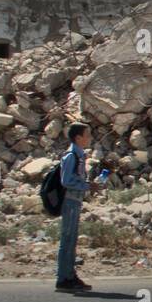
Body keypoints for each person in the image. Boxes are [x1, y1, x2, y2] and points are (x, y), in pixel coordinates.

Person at [56, 122, 101, 292]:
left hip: (75, 202)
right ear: (78, 138)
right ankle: (63, 278)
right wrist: (87, 186)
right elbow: (66, 181)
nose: (90, 138)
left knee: (71, 240)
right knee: (67, 240)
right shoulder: (71, 156)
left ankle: (69, 275)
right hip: (70, 202)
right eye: (87, 135)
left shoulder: (79, 155)